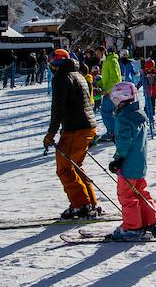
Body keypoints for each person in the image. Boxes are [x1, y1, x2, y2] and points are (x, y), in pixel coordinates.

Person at [43, 48, 101, 219]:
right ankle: (89, 202)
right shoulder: (77, 74)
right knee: (75, 166)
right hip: (87, 126)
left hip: (75, 128)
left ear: (55, 63)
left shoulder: (62, 77)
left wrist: (50, 134)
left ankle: (81, 205)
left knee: (64, 169)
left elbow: (57, 108)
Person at [108, 81, 156, 240]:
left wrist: (118, 159)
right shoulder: (138, 114)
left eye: (115, 100)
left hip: (128, 165)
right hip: (140, 163)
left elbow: (125, 141)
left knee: (127, 195)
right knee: (141, 192)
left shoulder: (124, 117)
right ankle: (149, 220)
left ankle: (132, 227)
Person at [98, 50, 120, 143]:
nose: (97, 55)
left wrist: (107, 90)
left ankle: (113, 132)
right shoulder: (106, 61)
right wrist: (99, 84)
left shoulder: (111, 61)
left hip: (111, 92)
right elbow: (107, 77)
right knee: (109, 112)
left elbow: (115, 79)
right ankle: (113, 131)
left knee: (107, 112)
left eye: (98, 53)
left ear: (103, 52)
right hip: (108, 91)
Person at [140, 59, 156, 124]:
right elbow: (141, 81)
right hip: (147, 92)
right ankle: (145, 117)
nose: (149, 70)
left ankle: (152, 117)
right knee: (147, 105)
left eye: (150, 68)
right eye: (148, 68)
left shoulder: (155, 73)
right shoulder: (144, 74)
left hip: (154, 92)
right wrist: (136, 87)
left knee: (153, 105)